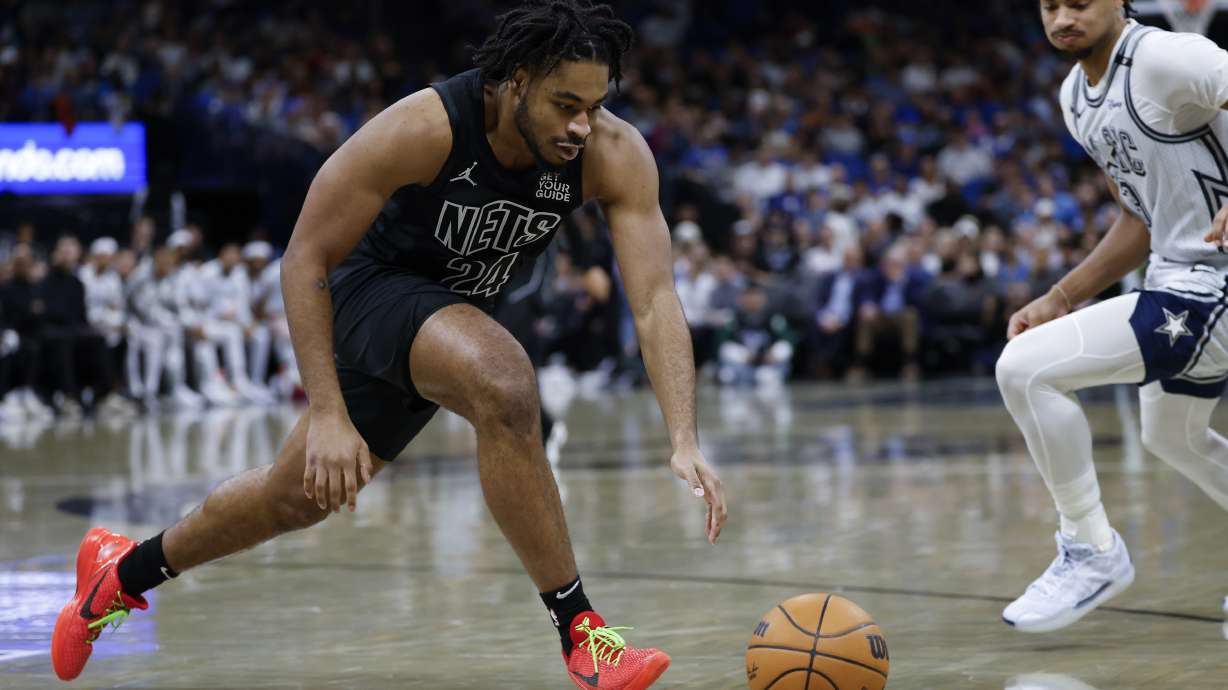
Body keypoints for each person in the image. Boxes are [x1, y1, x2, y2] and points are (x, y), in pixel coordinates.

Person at [52, 3, 727, 689]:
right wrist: (326, 413)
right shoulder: (426, 126)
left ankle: (119, 571)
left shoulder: (613, 153)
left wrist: (684, 435)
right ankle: (582, 632)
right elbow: (305, 259)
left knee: (293, 500)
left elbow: (654, 298)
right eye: (565, 104)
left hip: (446, 319)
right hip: (362, 290)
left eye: (595, 104)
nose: (582, 124)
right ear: (515, 83)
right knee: (506, 383)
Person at [996, 0, 1228, 633]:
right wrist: (1063, 296)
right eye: (1050, 5)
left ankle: (1091, 549)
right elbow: (1137, 217)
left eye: (1079, 1)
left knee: (1025, 370)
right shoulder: (1075, 95)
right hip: (1180, 278)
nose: (1063, 16)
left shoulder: (1166, 57)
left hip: (1215, 285)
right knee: (1170, 436)